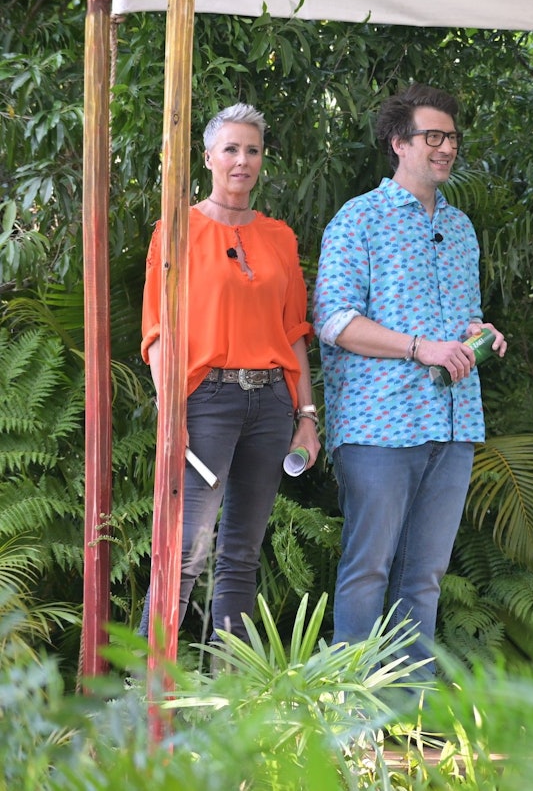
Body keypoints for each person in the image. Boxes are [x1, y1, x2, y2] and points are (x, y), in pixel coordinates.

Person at [313, 83, 506, 675]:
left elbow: (458, 323)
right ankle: (350, 709)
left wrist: (482, 335)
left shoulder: (462, 228)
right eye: (433, 136)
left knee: (424, 575)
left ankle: (407, 711)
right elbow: (335, 320)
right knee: (369, 566)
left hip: (452, 422)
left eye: (450, 137)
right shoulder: (359, 219)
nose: (446, 147)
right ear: (399, 143)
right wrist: (420, 348)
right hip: (378, 424)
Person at [139, 102, 321, 645]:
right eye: (231, 149)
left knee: (241, 553)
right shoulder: (177, 229)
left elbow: (293, 333)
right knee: (187, 551)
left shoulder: (280, 237)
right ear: (209, 156)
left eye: (253, 150)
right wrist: (171, 412)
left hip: (269, 405)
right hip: (204, 401)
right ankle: (147, 697)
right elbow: (157, 333)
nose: (242, 160)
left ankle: (231, 698)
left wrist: (306, 416)